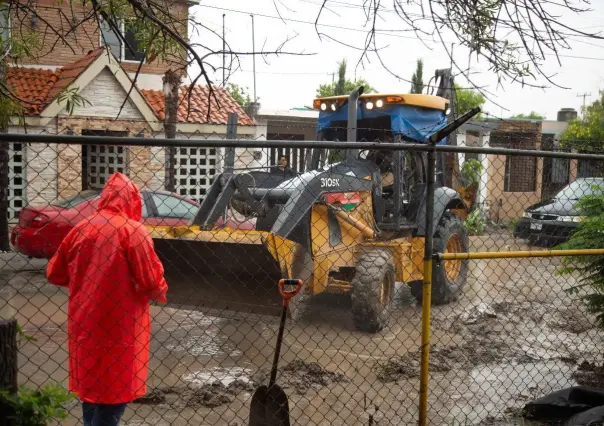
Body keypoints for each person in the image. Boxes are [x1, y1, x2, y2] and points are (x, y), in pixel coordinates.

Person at [46, 172, 168, 426]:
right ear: (132, 200)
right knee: (115, 391)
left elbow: (54, 273)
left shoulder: (81, 228)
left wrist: (86, 279)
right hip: (122, 325)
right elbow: (151, 282)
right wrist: (160, 291)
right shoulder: (133, 232)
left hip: (85, 320)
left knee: (91, 389)